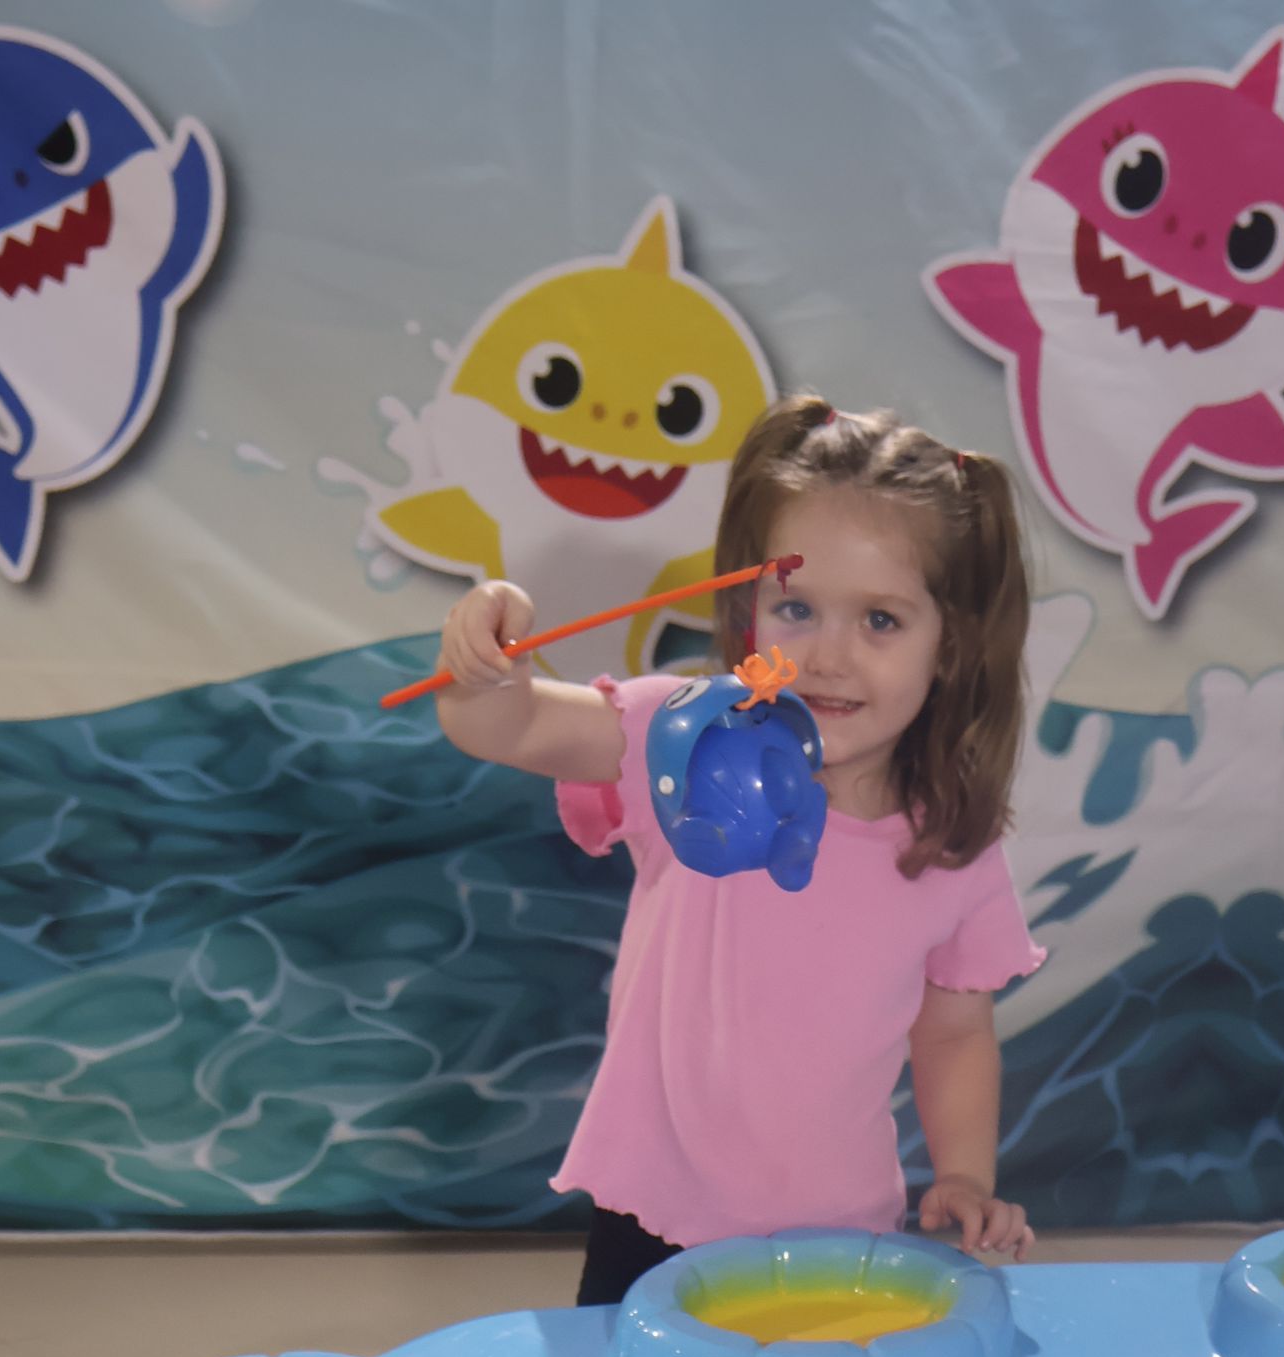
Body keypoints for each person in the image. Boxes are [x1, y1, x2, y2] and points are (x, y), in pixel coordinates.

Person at [434, 396, 1043, 1306]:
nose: (829, 657)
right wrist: (482, 667)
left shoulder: (951, 844)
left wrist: (962, 1176)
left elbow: (955, 1033)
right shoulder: (678, 738)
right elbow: (509, 727)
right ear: (751, 610)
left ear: (950, 646)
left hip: (843, 1235)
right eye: (797, 608)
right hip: (652, 1223)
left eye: (880, 621)